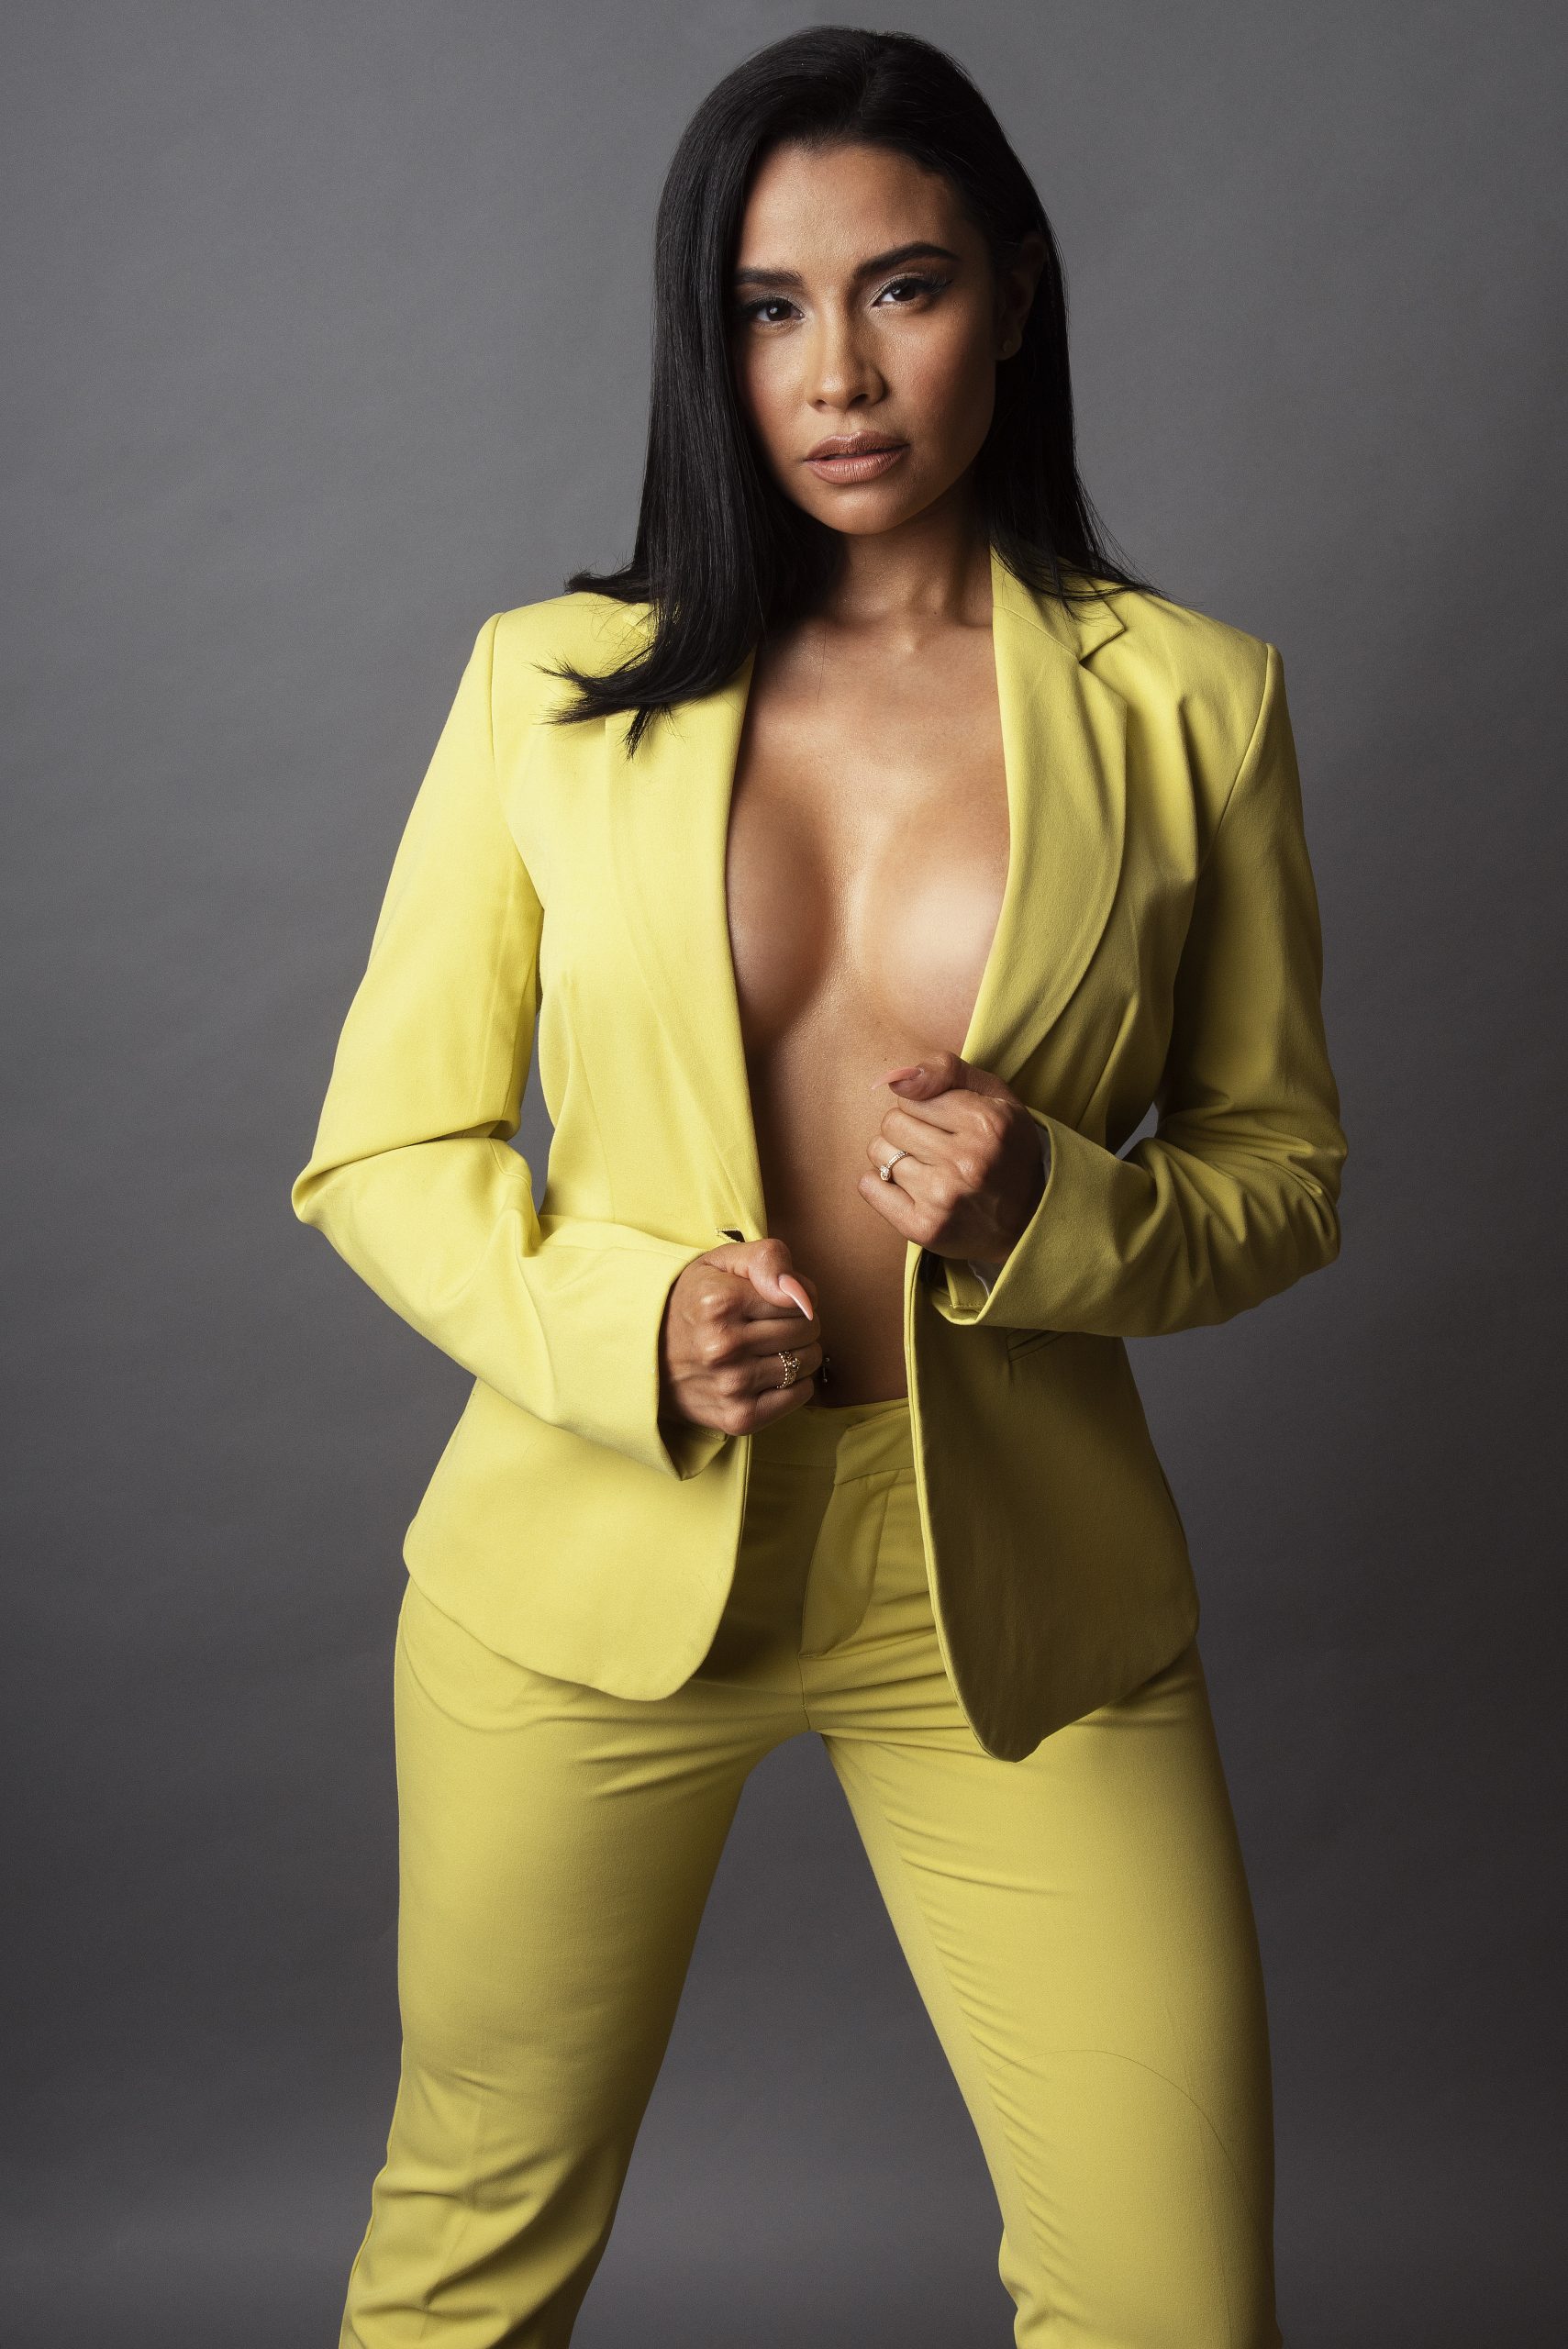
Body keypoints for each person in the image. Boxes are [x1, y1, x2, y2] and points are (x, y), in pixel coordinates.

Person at [290, 26, 1346, 2347]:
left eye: (905, 287)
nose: (838, 373)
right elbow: (384, 1144)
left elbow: (1280, 1171)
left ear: (1017, 294)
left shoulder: (1194, 704)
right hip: (587, 1555)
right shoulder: (547, 689)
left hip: (1015, 1586)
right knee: (469, 2258)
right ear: (711, 336)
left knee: (1172, 2303)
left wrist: (1057, 1207)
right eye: (769, 307)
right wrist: (624, 1326)